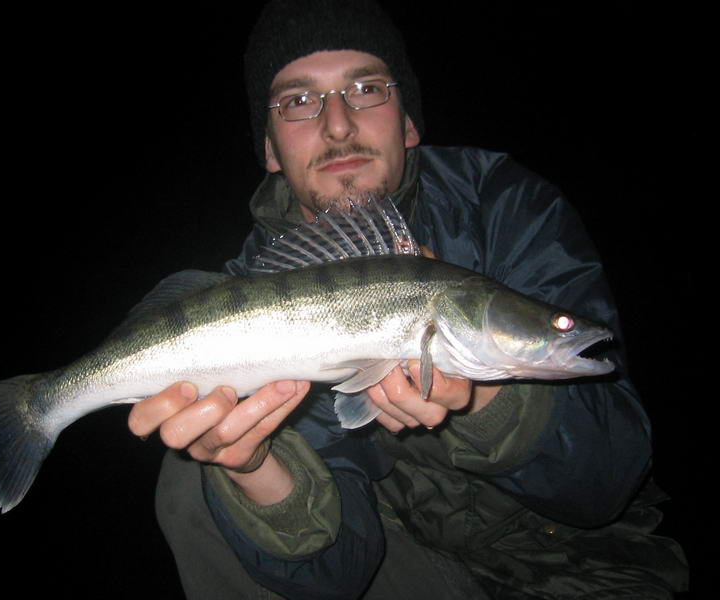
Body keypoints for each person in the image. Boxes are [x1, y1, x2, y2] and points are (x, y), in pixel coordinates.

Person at [127, 1, 688, 598]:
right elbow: (335, 574)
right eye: (298, 100)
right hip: (411, 561)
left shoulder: (501, 206)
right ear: (268, 149)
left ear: (410, 122)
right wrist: (251, 465)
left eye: (366, 88)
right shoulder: (249, 292)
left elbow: (607, 481)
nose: (338, 124)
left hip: (580, 568)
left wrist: (486, 402)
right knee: (195, 481)